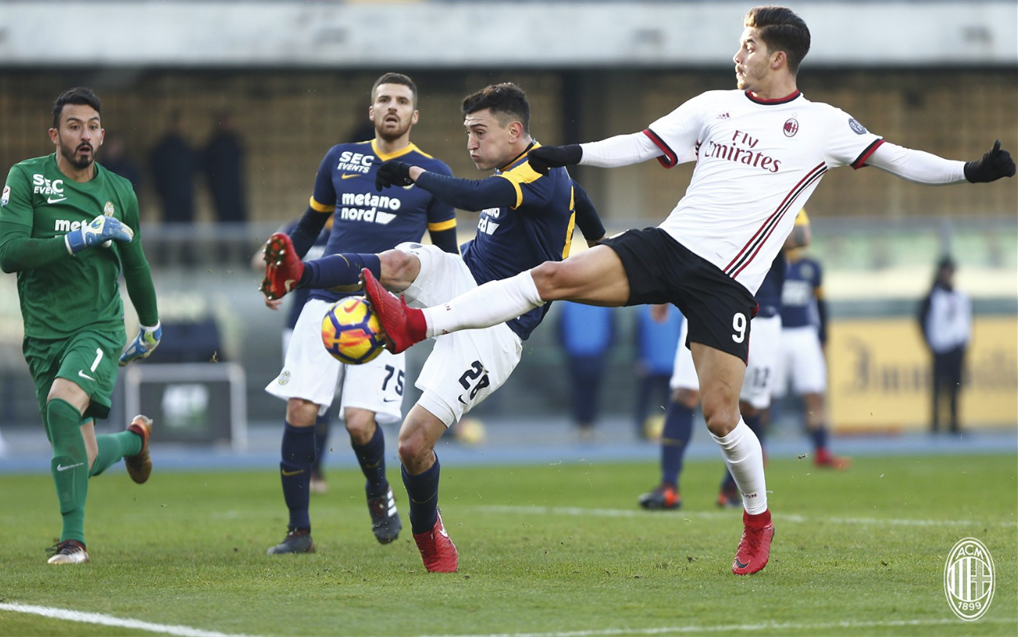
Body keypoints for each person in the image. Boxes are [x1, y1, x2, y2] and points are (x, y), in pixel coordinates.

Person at [357, 6, 1015, 576]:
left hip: (726, 285)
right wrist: (571, 152)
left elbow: (900, 158)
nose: (737, 54)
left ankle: (758, 521)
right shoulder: (712, 106)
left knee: (722, 417)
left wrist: (969, 171)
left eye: (749, 45)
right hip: (668, 247)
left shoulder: (823, 125)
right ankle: (420, 325)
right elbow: (639, 145)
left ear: (778, 57)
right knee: (553, 277)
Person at [262, 82, 606, 572]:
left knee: (412, 443)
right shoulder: (548, 174)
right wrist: (604, 246)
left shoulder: (537, 173)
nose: (471, 143)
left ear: (514, 131)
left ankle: (428, 533)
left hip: (499, 326)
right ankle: (301, 273)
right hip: (464, 277)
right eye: (468, 132)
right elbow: (583, 204)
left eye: (479, 132)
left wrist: (413, 172)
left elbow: (474, 196)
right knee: (402, 260)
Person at [257, 73, 459, 556]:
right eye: (384, 99)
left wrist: (450, 313)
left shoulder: (433, 173)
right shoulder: (340, 159)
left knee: (358, 423)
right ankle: (298, 532)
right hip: (324, 303)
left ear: (414, 115)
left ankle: (377, 490)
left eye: (402, 101)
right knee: (300, 409)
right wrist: (279, 274)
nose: (392, 106)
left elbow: (448, 254)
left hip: (384, 315)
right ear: (371, 112)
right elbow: (309, 225)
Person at [0, 87, 163, 564]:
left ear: (102, 135)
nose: (84, 135)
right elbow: (8, 253)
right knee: (80, 458)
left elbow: (135, 263)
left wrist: (150, 324)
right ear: (55, 135)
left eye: (92, 127)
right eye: (73, 126)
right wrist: (76, 238)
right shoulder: (27, 178)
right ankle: (134, 441)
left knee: (62, 404)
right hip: (43, 335)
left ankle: (74, 542)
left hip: (98, 327)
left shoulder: (119, 191)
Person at [638, 210, 811, 514]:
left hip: (761, 312)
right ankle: (668, 486)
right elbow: (681, 237)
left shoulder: (778, 190)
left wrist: (750, 226)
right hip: (706, 304)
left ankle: (731, 490)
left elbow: (802, 236)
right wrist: (663, 294)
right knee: (684, 392)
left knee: (750, 406)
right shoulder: (715, 192)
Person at [252, 217, 334, 494]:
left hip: (337, 329)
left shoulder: (347, 227)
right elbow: (259, 259)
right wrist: (278, 266)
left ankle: (316, 468)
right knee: (299, 400)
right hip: (298, 328)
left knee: (323, 401)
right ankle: (301, 468)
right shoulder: (298, 228)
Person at [774, 248, 847, 466]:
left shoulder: (811, 267)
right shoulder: (769, 261)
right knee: (764, 398)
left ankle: (821, 450)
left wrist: (823, 336)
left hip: (804, 333)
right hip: (775, 331)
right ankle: (757, 450)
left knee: (814, 392)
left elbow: (820, 304)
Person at [918, 255, 971, 434]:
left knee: (956, 386)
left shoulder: (960, 295)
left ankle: (954, 423)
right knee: (938, 387)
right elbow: (921, 321)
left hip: (957, 346)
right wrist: (930, 342)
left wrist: (965, 341)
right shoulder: (932, 296)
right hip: (940, 347)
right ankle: (935, 424)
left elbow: (966, 320)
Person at [556, 302, 616, 440]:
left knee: (593, 390)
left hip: (596, 354)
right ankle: (580, 423)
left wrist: (607, 349)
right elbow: (560, 328)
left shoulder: (603, 305)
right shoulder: (569, 305)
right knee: (578, 391)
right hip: (576, 354)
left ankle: (591, 423)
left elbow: (612, 328)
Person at [632, 304, 682, 440]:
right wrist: (640, 358)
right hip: (649, 365)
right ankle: (641, 427)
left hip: (671, 365)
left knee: (669, 400)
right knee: (645, 399)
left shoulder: (677, 312)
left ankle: (670, 428)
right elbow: (637, 337)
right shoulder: (643, 312)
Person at [200, 111, 248, 225]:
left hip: (235, 190)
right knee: (223, 222)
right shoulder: (213, 145)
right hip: (220, 192)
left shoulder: (235, 142)